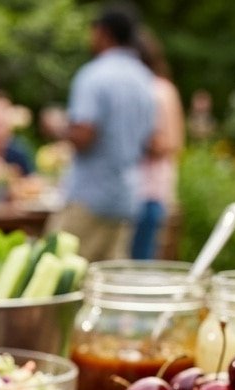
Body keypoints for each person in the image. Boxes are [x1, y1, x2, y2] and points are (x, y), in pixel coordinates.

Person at [41, 3, 155, 262]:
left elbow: (84, 135)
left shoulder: (94, 75)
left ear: (103, 32)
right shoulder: (145, 78)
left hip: (89, 197)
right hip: (126, 197)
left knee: (55, 271)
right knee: (106, 284)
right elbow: (148, 139)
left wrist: (56, 127)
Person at [130, 28, 184, 260]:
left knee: (139, 263)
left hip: (148, 189)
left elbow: (170, 142)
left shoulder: (156, 90)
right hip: (145, 190)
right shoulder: (162, 88)